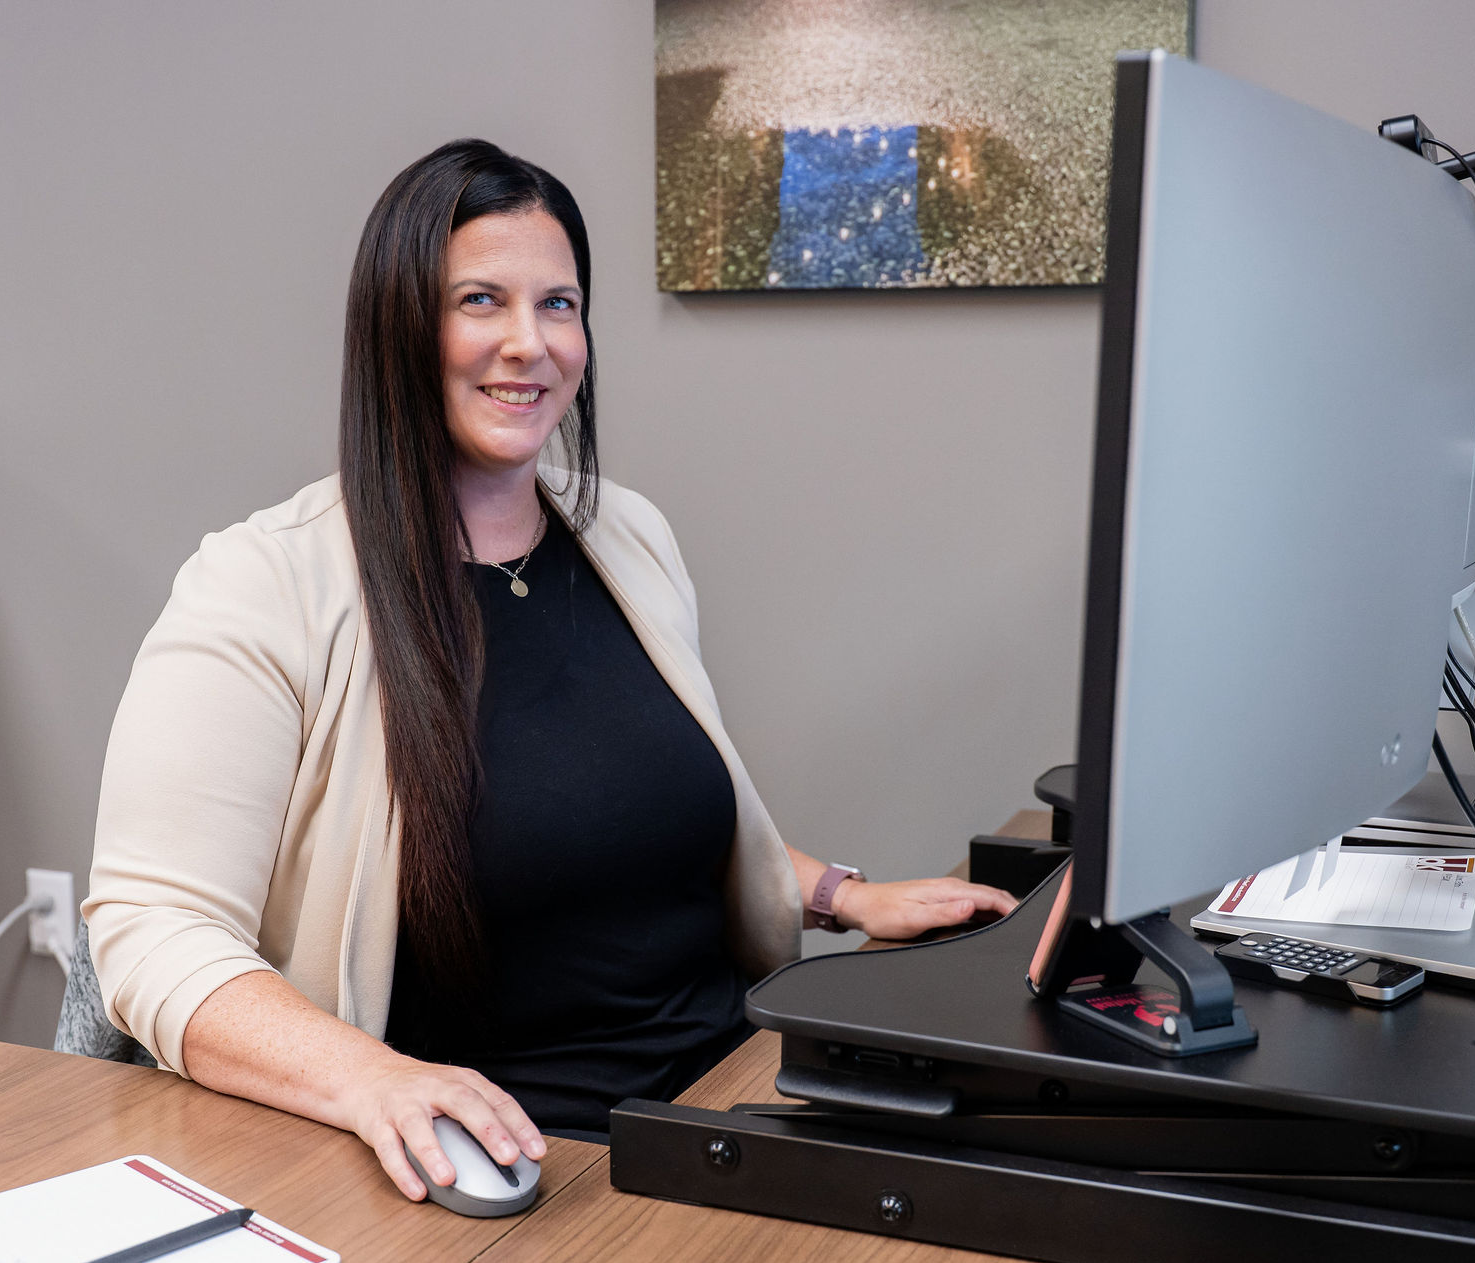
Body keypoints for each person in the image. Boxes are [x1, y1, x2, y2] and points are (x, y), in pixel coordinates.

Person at [83, 139, 1015, 1202]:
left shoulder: (625, 535)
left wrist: (847, 896)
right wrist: (370, 1080)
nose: (528, 345)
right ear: (397, 326)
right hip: (516, 1166)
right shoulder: (263, 586)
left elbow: (623, 815)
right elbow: (151, 933)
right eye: (479, 301)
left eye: (558, 305)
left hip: (728, 1099)